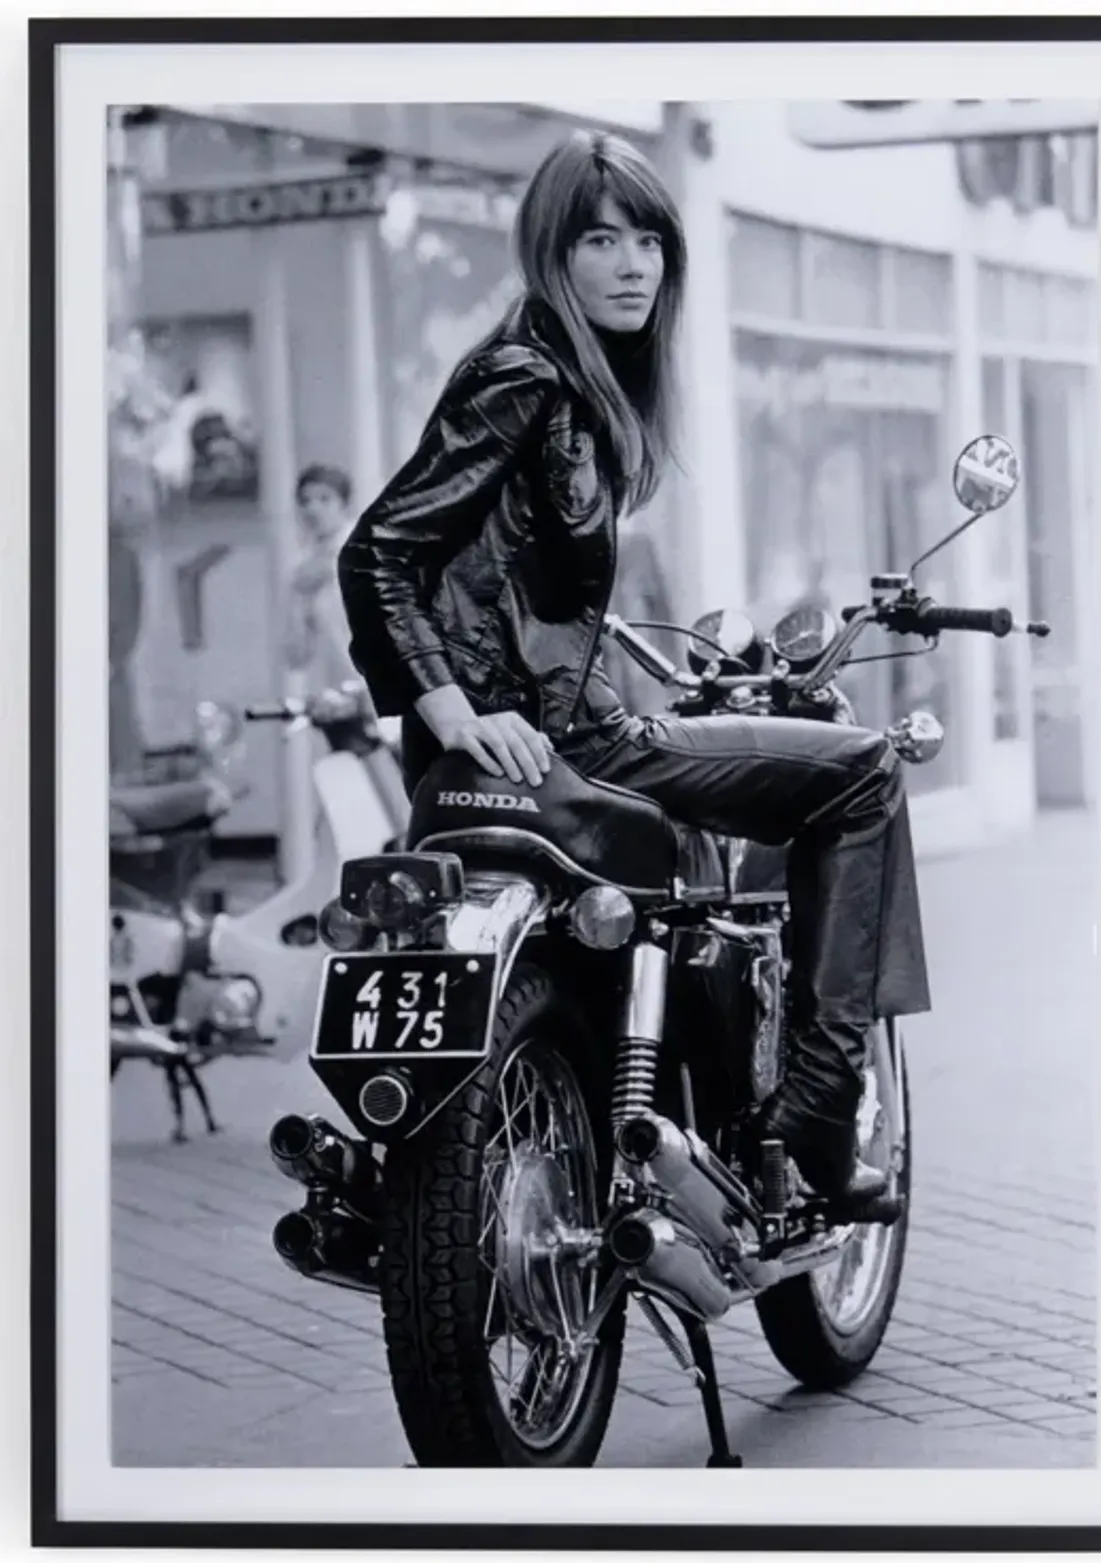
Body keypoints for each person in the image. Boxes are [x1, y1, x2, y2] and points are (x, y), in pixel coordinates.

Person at [338, 130, 931, 1200]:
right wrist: (451, 704)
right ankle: (821, 1102)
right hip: (569, 742)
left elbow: (507, 577)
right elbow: (380, 548)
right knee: (864, 772)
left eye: (649, 240)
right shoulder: (528, 377)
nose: (631, 265)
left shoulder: (560, 380)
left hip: (545, 724)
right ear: (551, 253)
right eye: (600, 239)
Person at [284, 463, 360, 690]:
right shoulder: (301, 568)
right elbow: (296, 655)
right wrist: (300, 598)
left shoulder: (367, 554)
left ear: (345, 505)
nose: (313, 509)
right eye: (305, 501)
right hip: (329, 694)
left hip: (377, 691)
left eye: (325, 499)